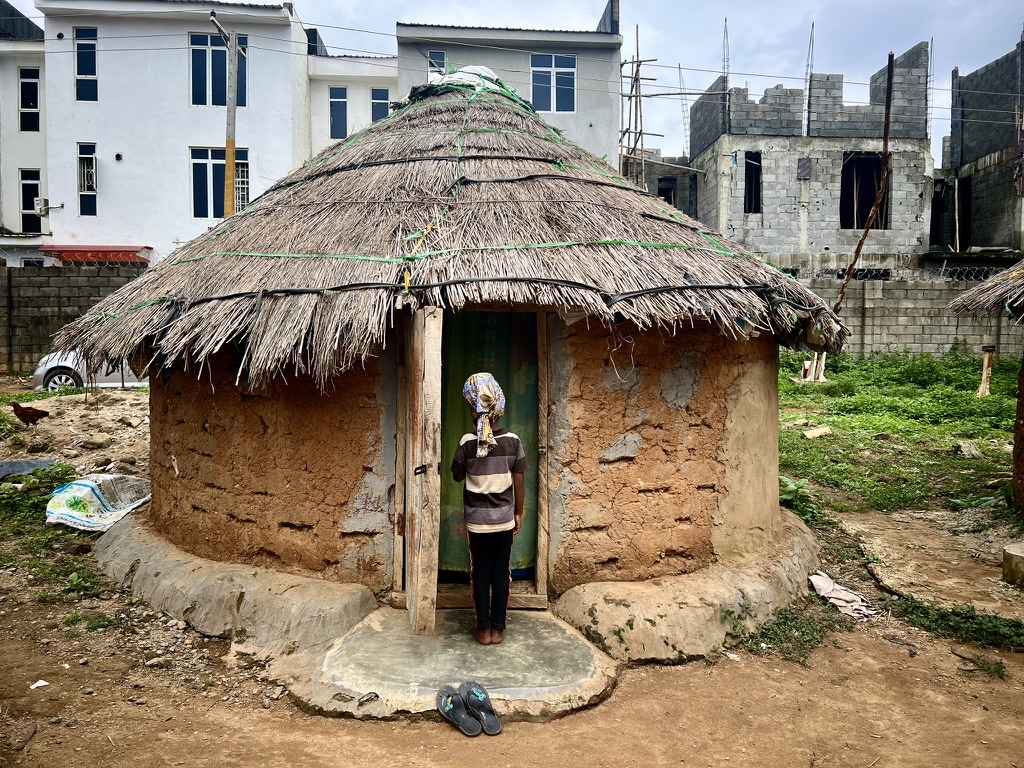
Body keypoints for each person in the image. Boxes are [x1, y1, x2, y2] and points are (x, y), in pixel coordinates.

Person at [450, 372, 527, 646]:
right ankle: (498, 629)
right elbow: (519, 480)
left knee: (480, 571)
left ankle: (482, 630)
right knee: (501, 571)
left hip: (477, 522)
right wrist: (518, 512)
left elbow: (457, 475)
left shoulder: (466, 443)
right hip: (504, 519)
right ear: (499, 407)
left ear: (473, 409)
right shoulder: (513, 441)